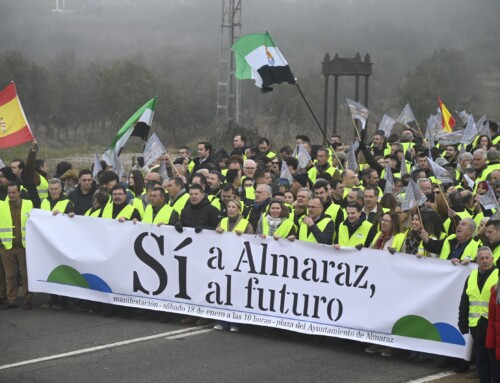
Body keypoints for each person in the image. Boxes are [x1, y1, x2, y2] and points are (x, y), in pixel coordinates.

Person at [459, 247, 498, 380]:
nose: (485, 261)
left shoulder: (498, 276)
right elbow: (464, 302)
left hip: (493, 326)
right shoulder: (471, 277)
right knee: (481, 361)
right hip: (476, 326)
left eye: (487, 258)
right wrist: (462, 321)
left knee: (495, 362)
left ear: (492, 259)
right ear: (477, 261)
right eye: (481, 258)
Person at [0, 182, 34, 310]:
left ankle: (28, 299)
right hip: (7, 247)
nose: (11, 195)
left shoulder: (29, 204)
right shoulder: (2, 206)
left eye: (14, 192)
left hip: (24, 247)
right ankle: (11, 300)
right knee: (10, 276)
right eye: (9, 193)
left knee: (26, 275)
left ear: (19, 192)